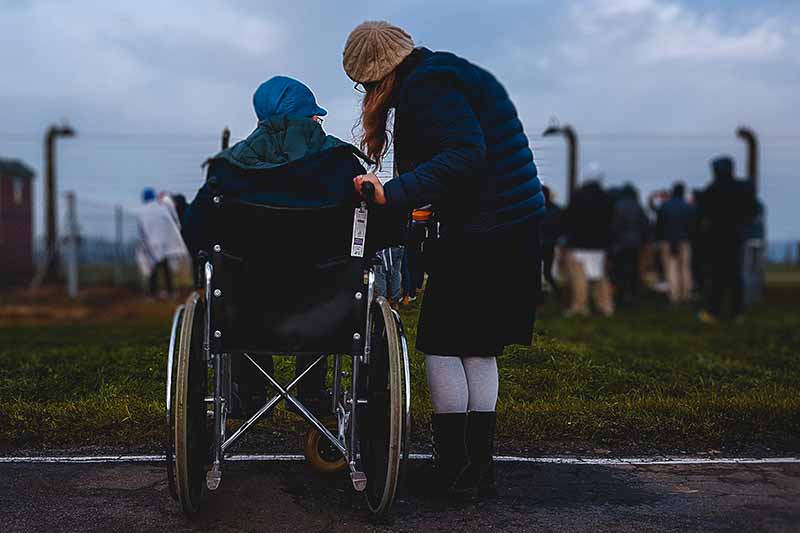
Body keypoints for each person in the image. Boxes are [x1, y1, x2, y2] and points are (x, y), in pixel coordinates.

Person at [344, 21, 545, 499]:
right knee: (476, 345)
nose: (368, 93)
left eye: (367, 84)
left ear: (381, 74)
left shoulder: (427, 87)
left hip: (486, 230)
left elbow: (464, 153)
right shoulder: (445, 73)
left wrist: (390, 194)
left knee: (440, 343)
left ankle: (453, 466)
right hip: (509, 226)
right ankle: (477, 469)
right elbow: (463, 160)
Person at [182, 76, 369, 416]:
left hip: (245, 310)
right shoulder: (343, 165)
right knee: (324, 281)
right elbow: (376, 230)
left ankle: (249, 389)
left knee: (238, 286)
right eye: (315, 115)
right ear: (307, 117)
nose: (318, 121)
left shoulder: (228, 169)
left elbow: (194, 231)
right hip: (326, 309)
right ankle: (312, 391)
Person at [695, 157, 758, 322]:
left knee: (717, 276)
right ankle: (737, 312)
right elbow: (753, 210)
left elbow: (701, 214)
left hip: (717, 237)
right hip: (736, 236)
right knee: (735, 276)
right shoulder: (743, 188)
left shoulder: (712, 189)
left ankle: (713, 311)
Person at [562, 168, 615, 316]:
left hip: (579, 244)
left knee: (580, 277)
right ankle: (605, 305)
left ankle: (580, 306)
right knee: (599, 276)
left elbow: (568, 219)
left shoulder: (577, 196)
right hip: (600, 245)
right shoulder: (607, 198)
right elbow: (611, 222)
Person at [136, 187, 187, 299]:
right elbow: (173, 222)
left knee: (153, 270)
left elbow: (142, 231)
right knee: (166, 269)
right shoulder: (162, 208)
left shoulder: (142, 212)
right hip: (166, 244)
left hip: (152, 245)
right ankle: (171, 292)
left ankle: (152, 294)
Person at [611, 184, 649, 306]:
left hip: (620, 244)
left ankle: (621, 294)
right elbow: (645, 225)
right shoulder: (638, 206)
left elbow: (615, 226)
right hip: (636, 243)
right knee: (633, 269)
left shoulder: (618, 206)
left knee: (620, 270)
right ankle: (633, 294)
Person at [656, 182, 694, 304]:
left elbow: (659, 224)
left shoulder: (665, 206)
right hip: (685, 240)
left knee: (671, 269)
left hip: (667, 241)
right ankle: (686, 294)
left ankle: (674, 296)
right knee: (685, 268)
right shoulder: (688, 206)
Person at [540, 185, 563, 300]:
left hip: (536, 244)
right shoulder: (557, 210)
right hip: (550, 244)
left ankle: (540, 296)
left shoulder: (533, 210)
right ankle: (559, 295)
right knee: (548, 273)